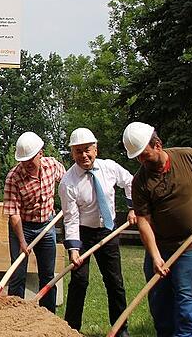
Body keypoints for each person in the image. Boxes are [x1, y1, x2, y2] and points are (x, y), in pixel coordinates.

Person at [123, 122, 192, 337]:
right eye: (138, 158)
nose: (142, 161)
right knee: (160, 306)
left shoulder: (188, 157)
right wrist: (154, 256)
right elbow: (143, 221)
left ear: (158, 145)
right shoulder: (140, 181)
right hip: (160, 247)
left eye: (145, 155)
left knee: (186, 303)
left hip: (191, 246)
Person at [59, 128, 134, 337]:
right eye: (78, 151)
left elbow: (129, 182)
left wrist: (132, 208)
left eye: (87, 150)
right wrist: (74, 249)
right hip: (82, 233)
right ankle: (71, 329)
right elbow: (71, 218)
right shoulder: (68, 182)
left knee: (114, 281)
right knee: (79, 281)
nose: (83, 155)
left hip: (108, 232)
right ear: (72, 153)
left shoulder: (110, 168)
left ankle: (120, 330)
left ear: (96, 149)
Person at [2, 131, 65, 313]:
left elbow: (68, 183)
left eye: (31, 158)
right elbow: (13, 214)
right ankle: (16, 315)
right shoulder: (13, 177)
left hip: (47, 225)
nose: (28, 163)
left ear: (41, 153)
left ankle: (48, 316)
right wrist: (22, 242)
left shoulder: (52, 166)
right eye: (24, 160)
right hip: (22, 227)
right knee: (18, 274)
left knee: (47, 275)